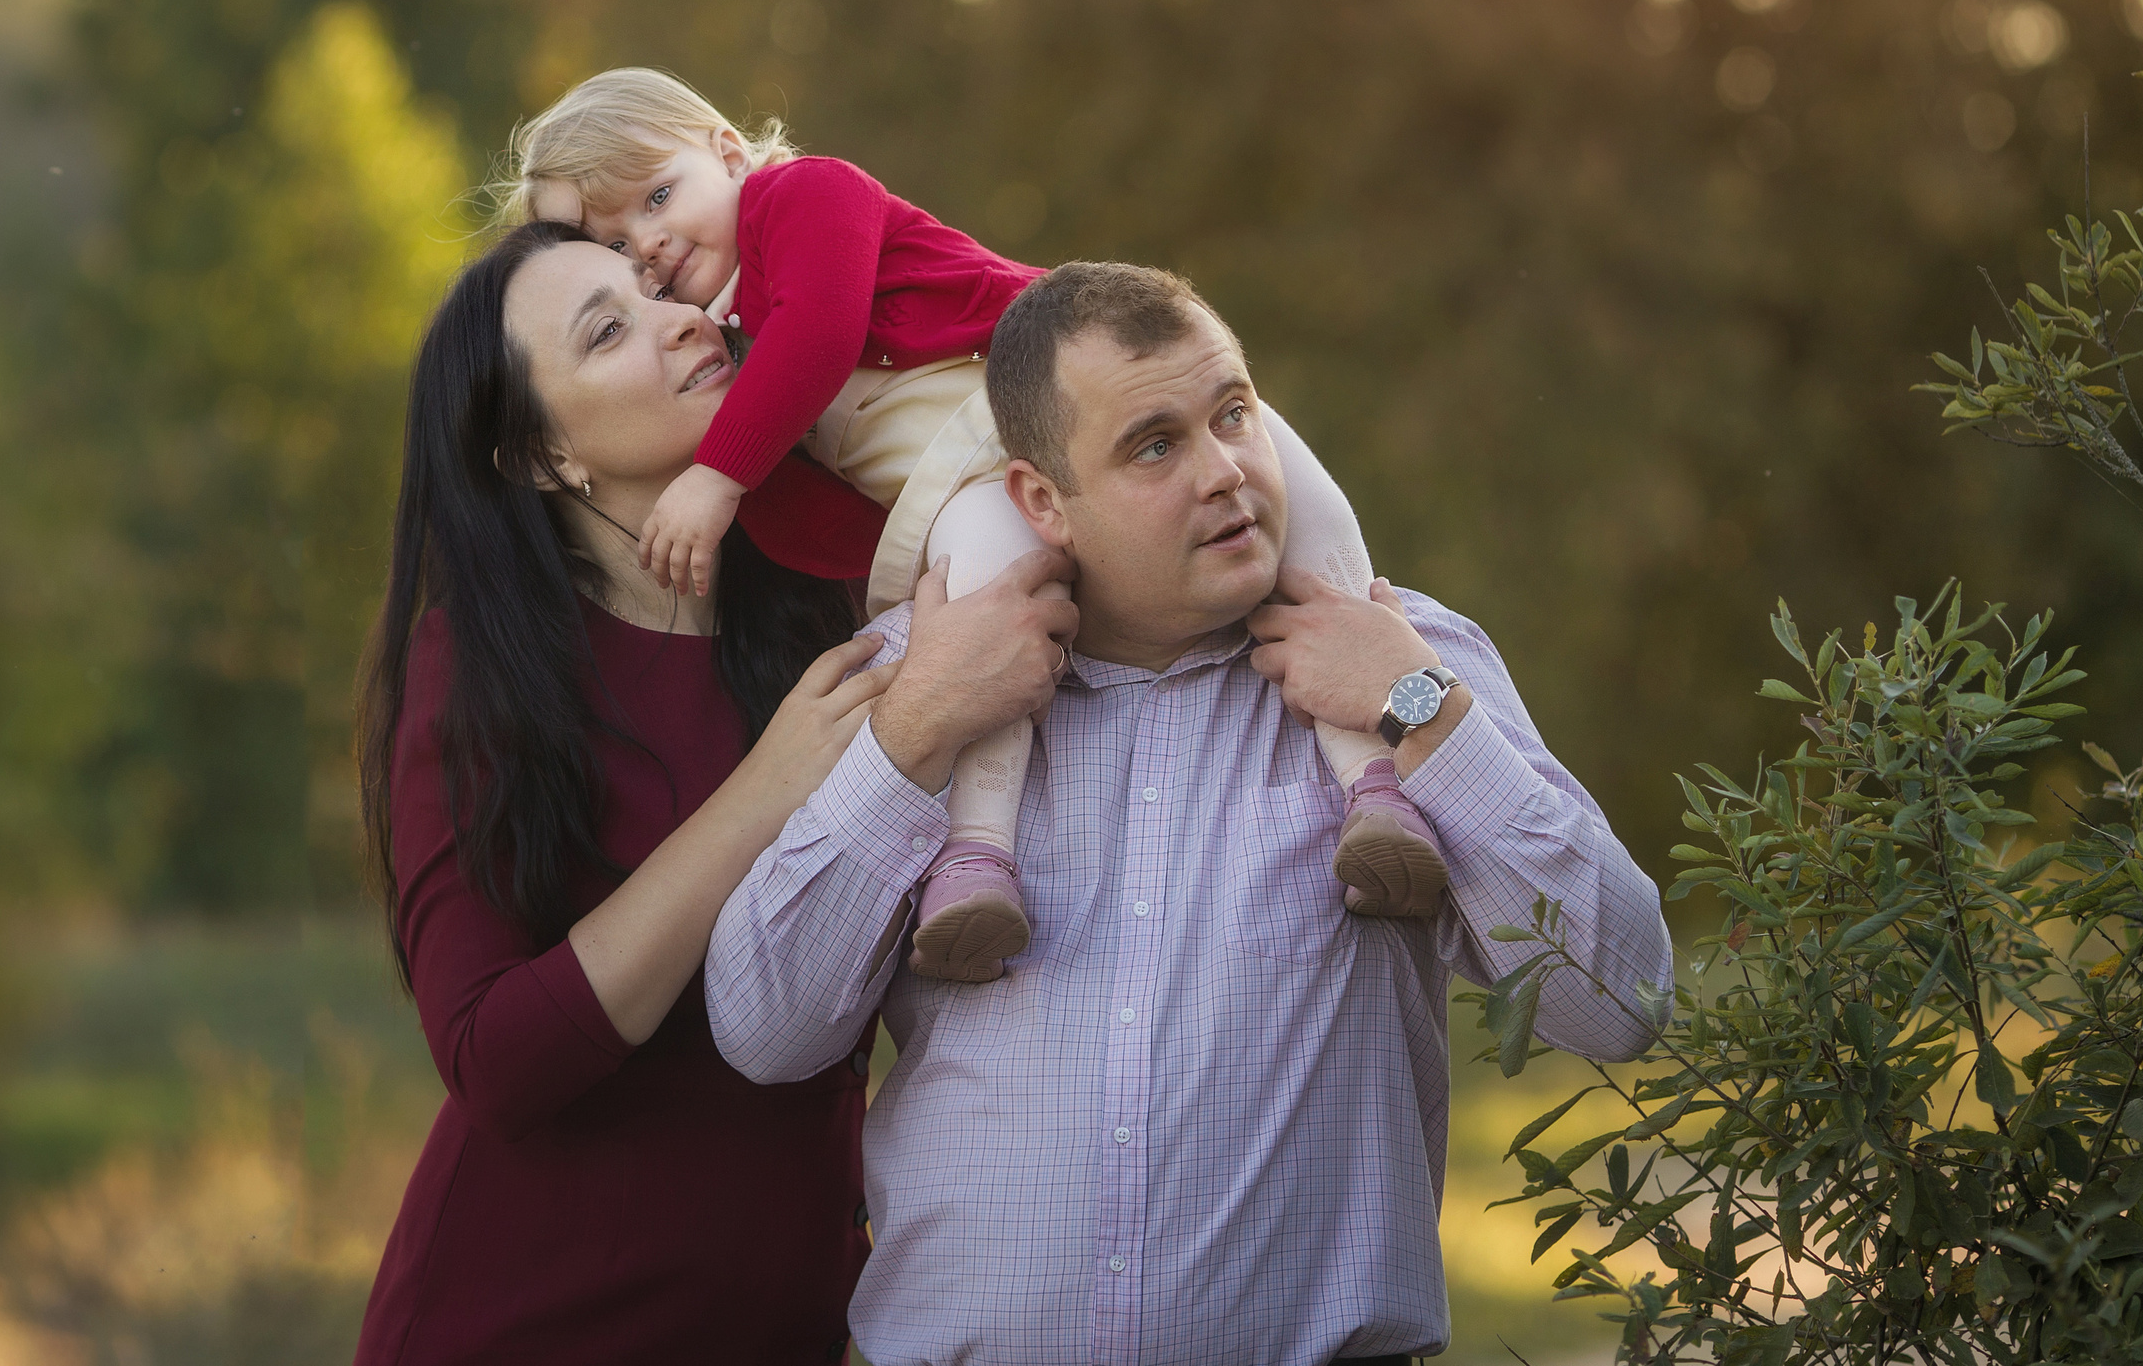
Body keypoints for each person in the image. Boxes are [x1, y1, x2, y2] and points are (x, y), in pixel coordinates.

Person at [705, 261, 1677, 1366]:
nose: (1224, 471)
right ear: (1038, 499)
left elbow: (1622, 997)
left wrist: (1418, 709)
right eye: (1154, 444)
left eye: (1233, 413)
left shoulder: (1403, 660)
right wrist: (916, 727)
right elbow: (763, 1031)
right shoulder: (913, 681)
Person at [507, 69, 1448, 985]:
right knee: (989, 626)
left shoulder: (800, 197)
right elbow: (829, 524)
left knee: (1289, 498)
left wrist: (717, 477)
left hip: (1070, 394)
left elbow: (824, 327)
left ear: (727, 151)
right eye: (618, 244)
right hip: (969, 488)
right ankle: (978, 860)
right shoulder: (732, 365)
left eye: (660, 195)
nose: (652, 242)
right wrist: (842, 553)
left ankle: (1373, 783)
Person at [349, 221, 910, 1365]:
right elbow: (491, 1055)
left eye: (659, 287)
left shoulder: (836, 594)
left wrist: (1392, 687)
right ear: (541, 457)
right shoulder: (483, 672)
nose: (682, 319)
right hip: (525, 1325)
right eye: (609, 330)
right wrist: (764, 793)